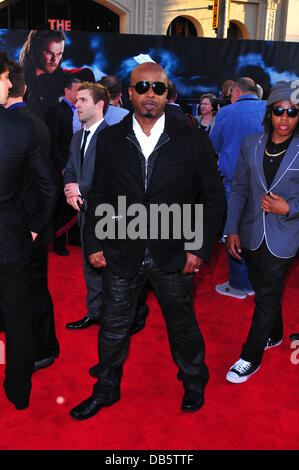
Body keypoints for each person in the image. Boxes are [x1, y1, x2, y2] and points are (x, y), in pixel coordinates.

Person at [69, 62, 225, 421]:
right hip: (122, 248)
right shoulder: (110, 138)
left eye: (158, 88)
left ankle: (194, 380)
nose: (150, 95)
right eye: (143, 88)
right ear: (129, 93)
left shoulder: (192, 139)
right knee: (112, 325)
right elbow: (101, 195)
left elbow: (213, 197)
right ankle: (105, 388)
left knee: (181, 323)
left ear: (168, 94)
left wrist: (198, 247)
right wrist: (94, 242)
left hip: (173, 251)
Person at [224, 81, 299, 383]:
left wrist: (289, 207)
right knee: (264, 287)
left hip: (286, 234)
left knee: (266, 295)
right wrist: (231, 229)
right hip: (251, 231)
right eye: (279, 110)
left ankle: (249, 356)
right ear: (269, 112)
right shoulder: (250, 143)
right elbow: (240, 189)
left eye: (292, 113)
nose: (285, 117)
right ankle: (276, 333)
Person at [0, 52, 58, 409]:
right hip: (12, 242)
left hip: (12, 240)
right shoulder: (21, 127)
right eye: (4, 78)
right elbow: (49, 186)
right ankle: (19, 391)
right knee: (17, 316)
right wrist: (35, 228)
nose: (9, 83)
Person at [210, 77, 266, 299]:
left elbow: (214, 145)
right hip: (266, 181)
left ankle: (239, 285)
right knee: (259, 229)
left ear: (235, 93)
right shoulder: (270, 109)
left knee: (234, 228)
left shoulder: (226, 113)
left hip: (235, 181)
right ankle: (256, 282)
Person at [63, 82, 110, 330]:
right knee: (88, 264)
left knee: (109, 266)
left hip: (107, 215)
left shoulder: (113, 136)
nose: (76, 104)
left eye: (83, 100)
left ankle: (117, 317)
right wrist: (70, 188)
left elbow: (109, 177)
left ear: (99, 104)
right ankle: (95, 312)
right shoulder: (77, 137)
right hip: (83, 212)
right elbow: (71, 167)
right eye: (77, 100)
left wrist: (80, 188)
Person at [46, 76, 82, 256]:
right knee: (61, 205)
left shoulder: (81, 111)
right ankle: (58, 242)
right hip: (61, 167)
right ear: (67, 90)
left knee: (75, 203)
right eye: (77, 90)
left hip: (77, 166)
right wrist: (61, 168)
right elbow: (52, 142)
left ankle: (75, 236)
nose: (80, 94)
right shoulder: (56, 111)